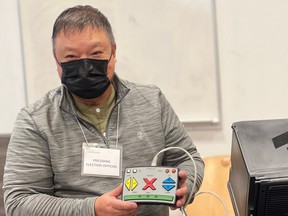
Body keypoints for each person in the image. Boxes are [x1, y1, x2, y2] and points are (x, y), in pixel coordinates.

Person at [3, 5, 204, 216]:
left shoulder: (152, 101)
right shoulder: (36, 120)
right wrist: (91, 209)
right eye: (71, 57)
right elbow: (19, 203)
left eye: (96, 53)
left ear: (113, 52)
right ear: (57, 61)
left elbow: (188, 158)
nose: (86, 66)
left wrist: (186, 185)